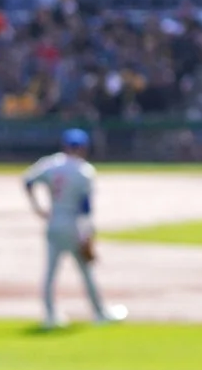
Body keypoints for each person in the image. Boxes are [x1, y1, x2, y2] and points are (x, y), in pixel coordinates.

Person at [22, 128, 127, 329]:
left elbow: (27, 181)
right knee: (86, 271)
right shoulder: (84, 171)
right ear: (84, 148)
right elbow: (85, 209)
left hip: (54, 222)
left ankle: (50, 316)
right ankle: (99, 312)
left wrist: (37, 208)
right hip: (73, 224)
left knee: (50, 272)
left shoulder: (50, 165)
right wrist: (88, 234)